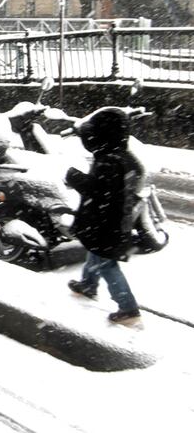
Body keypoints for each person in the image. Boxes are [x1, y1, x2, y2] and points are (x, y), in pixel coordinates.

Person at [65, 107, 145, 324]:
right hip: (116, 221)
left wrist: (74, 177)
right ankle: (88, 284)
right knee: (96, 254)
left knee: (107, 264)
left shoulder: (109, 160)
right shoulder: (124, 156)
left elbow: (98, 190)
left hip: (106, 223)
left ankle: (128, 308)